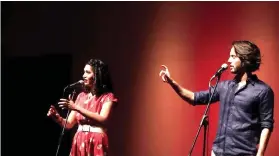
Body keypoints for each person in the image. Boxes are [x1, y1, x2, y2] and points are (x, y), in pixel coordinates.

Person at [159, 40, 274, 156]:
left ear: (245, 59)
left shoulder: (263, 91)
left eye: (233, 57)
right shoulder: (224, 87)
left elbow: (266, 125)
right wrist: (172, 82)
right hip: (217, 153)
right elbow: (194, 97)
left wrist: (260, 154)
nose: (229, 61)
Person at [47, 59, 118, 156]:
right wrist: (57, 117)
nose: (83, 75)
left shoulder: (107, 96)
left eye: (88, 72)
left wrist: (76, 107)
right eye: (84, 72)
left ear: (97, 76)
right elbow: (69, 124)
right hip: (79, 140)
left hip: (96, 140)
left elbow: (103, 118)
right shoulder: (81, 96)